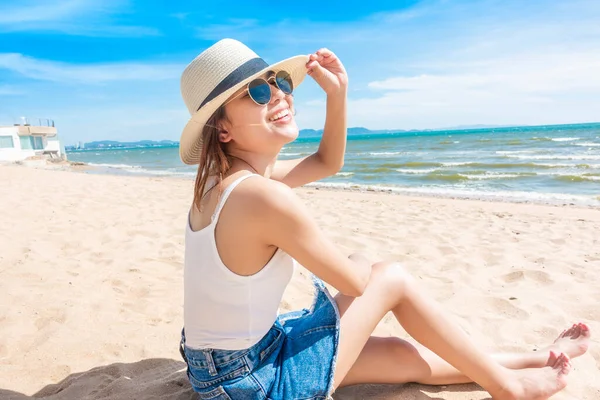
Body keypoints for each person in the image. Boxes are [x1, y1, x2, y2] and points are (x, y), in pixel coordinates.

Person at [177, 39, 590, 400]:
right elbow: (356, 283)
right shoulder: (261, 195)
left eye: (280, 83)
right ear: (224, 130)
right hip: (252, 383)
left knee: (398, 354)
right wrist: (362, 255)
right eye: (257, 92)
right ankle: (509, 388)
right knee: (389, 276)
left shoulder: (224, 182)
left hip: (225, 368)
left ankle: (532, 360)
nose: (280, 95)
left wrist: (337, 96)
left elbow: (325, 162)